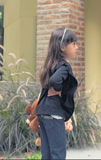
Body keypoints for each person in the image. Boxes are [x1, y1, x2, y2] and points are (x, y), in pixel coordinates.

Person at [36, 27, 78, 160]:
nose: (77, 47)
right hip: (54, 114)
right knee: (58, 155)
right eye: (74, 44)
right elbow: (55, 81)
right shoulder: (64, 66)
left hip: (43, 112)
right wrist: (60, 91)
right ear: (63, 47)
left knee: (47, 155)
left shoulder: (50, 64)